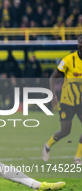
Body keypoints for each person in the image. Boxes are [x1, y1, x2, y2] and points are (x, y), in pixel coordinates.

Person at [42, 35, 82, 164]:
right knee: (65, 131)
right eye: (81, 42)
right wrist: (53, 95)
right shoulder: (69, 60)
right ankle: (48, 145)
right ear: (78, 45)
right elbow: (53, 77)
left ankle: (77, 157)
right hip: (67, 101)